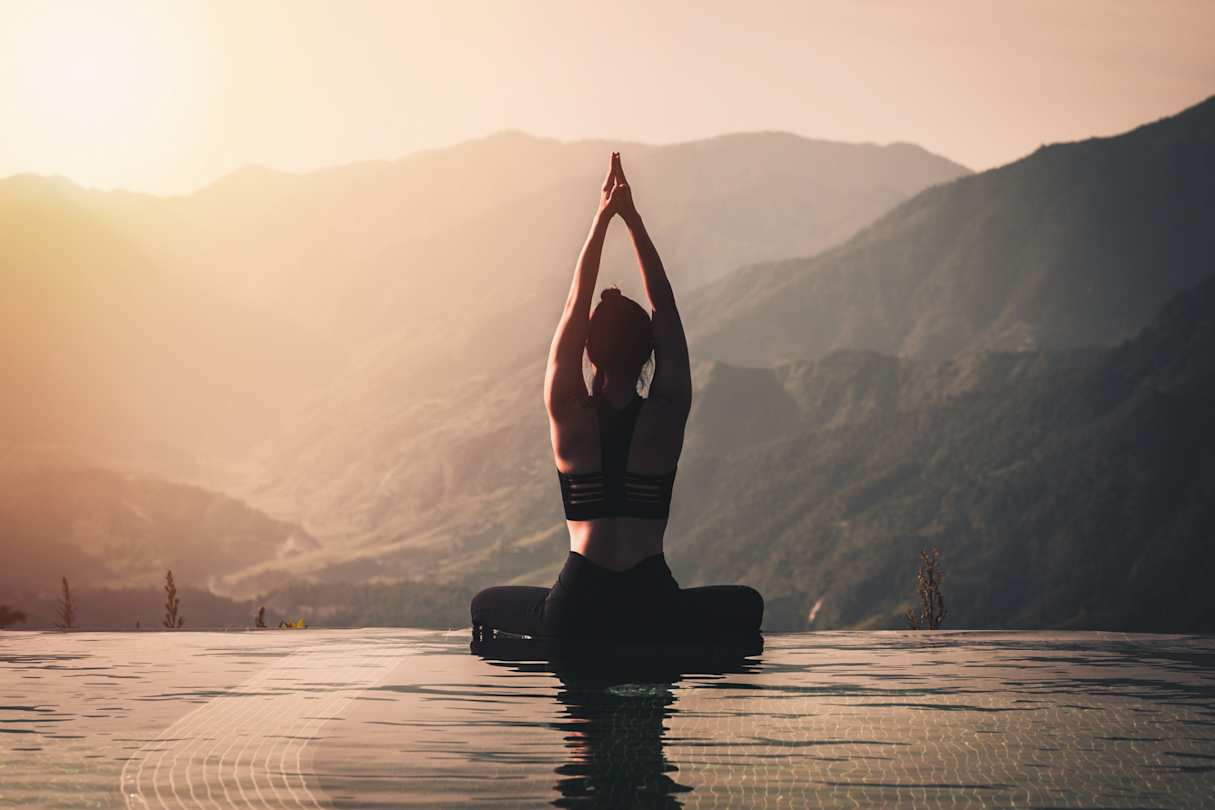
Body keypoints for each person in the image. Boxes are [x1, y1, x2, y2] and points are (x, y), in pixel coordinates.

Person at [471, 153, 763, 641]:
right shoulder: (667, 412)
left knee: (484, 606)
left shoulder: (567, 412)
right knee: (747, 606)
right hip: (653, 605)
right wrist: (634, 221)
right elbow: (665, 306)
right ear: (649, 350)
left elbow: (573, 305)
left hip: (577, 608)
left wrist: (601, 219)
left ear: (589, 351)